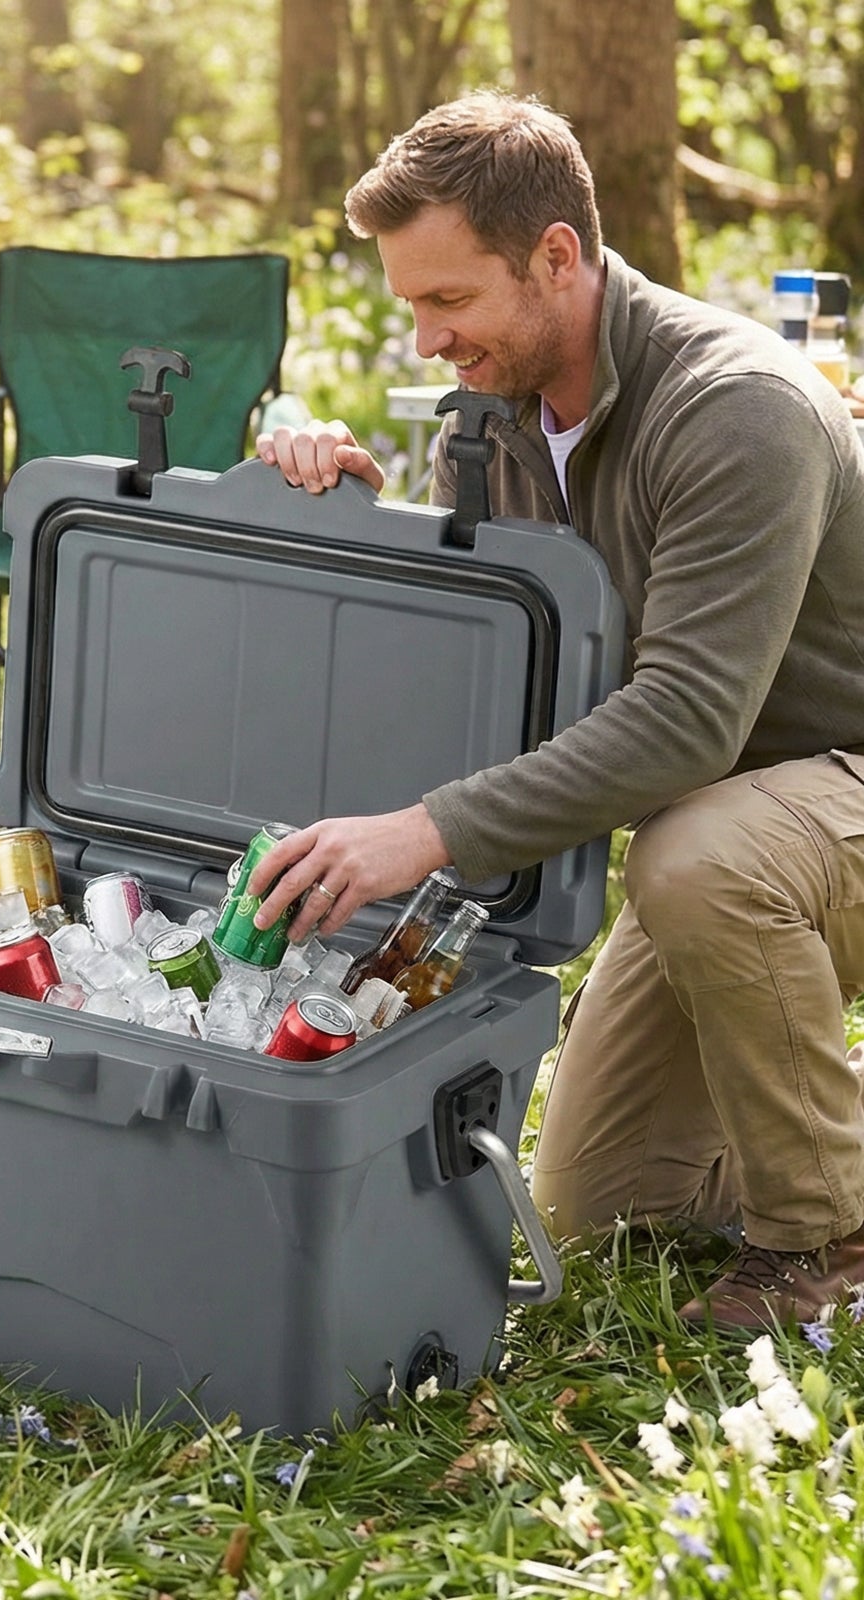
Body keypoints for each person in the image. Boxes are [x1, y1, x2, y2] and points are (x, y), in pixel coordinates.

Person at [247, 92, 864, 1332]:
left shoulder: (737, 408)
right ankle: (818, 1140)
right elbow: (495, 684)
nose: (425, 342)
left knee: (695, 865)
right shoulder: (490, 432)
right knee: (601, 1201)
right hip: (723, 830)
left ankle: (831, 1244)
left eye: (448, 301)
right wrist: (366, 526)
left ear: (557, 257)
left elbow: (686, 720)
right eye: (409, 305)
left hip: (811, 802)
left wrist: (423, 832)